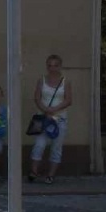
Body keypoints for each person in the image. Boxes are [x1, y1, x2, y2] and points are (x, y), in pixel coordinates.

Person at [28, 54, 71, 185]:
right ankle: (34, 172)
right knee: (39, 145)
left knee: (56, 147)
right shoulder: (41, 80)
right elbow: (37, 97)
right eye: (50, 65)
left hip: (60, 119)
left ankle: (50, 175)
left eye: (55, 65)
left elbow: (68, 100)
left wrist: (55, 109)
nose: (52, 68)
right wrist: (45, 109)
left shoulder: (65, 81)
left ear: (60, 66)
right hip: (43, 119)